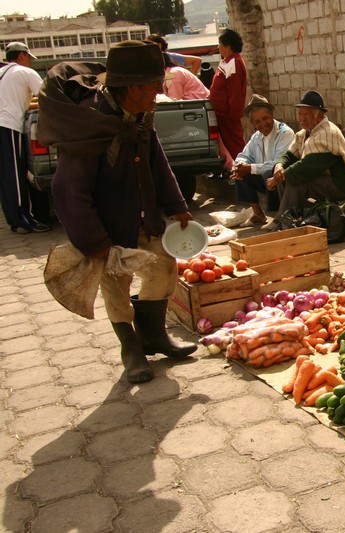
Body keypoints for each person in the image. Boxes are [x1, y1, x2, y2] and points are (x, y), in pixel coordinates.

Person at [37, 40, 197, 383]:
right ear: (131, 87)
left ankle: (154, 335)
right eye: (154, 86)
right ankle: (132, 351)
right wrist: (96, 244)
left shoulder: (140, 115)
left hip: (144, 215)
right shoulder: (90, 125)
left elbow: (156, 160)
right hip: (107, 228)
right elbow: (68, 190)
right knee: (116, 287)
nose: (159, 92)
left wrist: (177, 206)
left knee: (164, 268)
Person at [269, 90, 345, 231]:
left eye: (306, 114)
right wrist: (279, 166)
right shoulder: (305, 134)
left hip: (339, 186)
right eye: (300, 114)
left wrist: (279, 177)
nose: (302, 118)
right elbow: (289, 155)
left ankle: (282, 221)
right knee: (283, 174)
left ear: (319, 115)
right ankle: (293, 217)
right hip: (323, 181)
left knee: (296, 180)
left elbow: (306, 167)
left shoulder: (327, 133)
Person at [0, 42, 51, 234]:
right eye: (29, 57)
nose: (30, 62)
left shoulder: (3, 73)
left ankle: (14, 218)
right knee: (15, 173)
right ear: (22, 56)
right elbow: (46, 96)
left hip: (3, 124)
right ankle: (24, 219)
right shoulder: (23, 71)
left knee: (6, 175)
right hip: (9, 125)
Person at [229, 94, 294, 225]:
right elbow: (244, 155)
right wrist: (239, 165)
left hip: (284, 180)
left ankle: (279, 216)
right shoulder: (256, 137)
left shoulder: (285, 133)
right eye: (257, 121)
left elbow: (278, 163)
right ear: (253, 124)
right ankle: (258, 213)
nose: (263, 124)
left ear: (272, 116)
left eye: (265, 118)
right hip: (265, 180)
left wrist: (251, 168)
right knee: (240, 172)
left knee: (270, 172)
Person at [209, 28, 247, 172]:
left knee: (236, 145)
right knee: (230, 144)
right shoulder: (227, 62)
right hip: (222, 113)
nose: (218, 47)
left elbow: (235, 92)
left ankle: (247, 172)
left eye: (220, 44)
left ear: (228, 46)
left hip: (228, 115)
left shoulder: (234, 63)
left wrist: (233, 114)